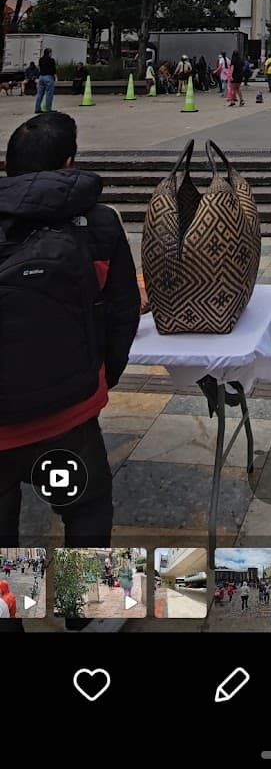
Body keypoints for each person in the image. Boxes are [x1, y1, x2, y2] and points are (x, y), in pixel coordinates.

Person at [0, 112, 141, 545]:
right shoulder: (98, 224)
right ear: (68, 164)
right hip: (68, 415)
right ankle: (85, 610)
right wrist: (99, 379)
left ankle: (10, 610)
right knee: (85, 507)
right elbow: (123, 312)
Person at [34, 49, 56, 114]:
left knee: (39, 94)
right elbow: (53, 69)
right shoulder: (51, 60)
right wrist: (55, 76)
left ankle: (37, 108)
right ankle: (48, 109)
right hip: (48, 77)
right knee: (49, 94)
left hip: (41, 77)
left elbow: (40, 67)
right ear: (49, 53)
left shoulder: (40, 59)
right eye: (51, 53)